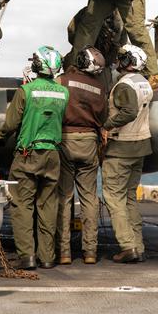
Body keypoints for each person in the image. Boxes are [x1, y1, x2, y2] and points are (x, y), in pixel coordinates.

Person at [0, 46, 69, 270]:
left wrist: (0, 138)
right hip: (53, 154)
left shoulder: (26, 91)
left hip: (28, 155)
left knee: (22, 205)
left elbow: (10, 124)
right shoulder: (63, 93)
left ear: (39, 65)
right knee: (47, 205)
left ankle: (27, 256)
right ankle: (47, 257)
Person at [101, 44, 153, 263]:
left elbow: (129, 112)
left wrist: (106, 126)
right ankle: (138, 246)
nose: (117, 62)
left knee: (114, 197)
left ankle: (127, 246)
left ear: (127, 62)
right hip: (140, 147)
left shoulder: (124, 85)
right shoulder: (144, 83)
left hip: (121, 147)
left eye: (121, 58)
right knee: (130, 198)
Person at [56, 46, 107, 265]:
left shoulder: (63, 80)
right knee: (89, 199)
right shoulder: (101, 88)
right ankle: (90, 252)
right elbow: (104, 117)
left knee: (65, 197)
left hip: (67, 140)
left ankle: (64, 252)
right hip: (89, 142)